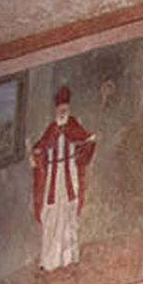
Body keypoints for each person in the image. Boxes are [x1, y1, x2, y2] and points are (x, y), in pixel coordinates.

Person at [31, 83, 96, 271]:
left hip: (69, 174)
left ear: (68, 109)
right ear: (56, 110)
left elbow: (84, 140)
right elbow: (41, 147)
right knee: (51, 215)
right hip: (53, 176)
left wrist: (89, 142)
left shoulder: (73, 125)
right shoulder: (52, 128)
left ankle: (69, 258)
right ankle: (49, 260)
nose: (62, 112)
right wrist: (36, 153)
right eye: (60, 109)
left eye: (65, 109)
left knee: (68, 215)